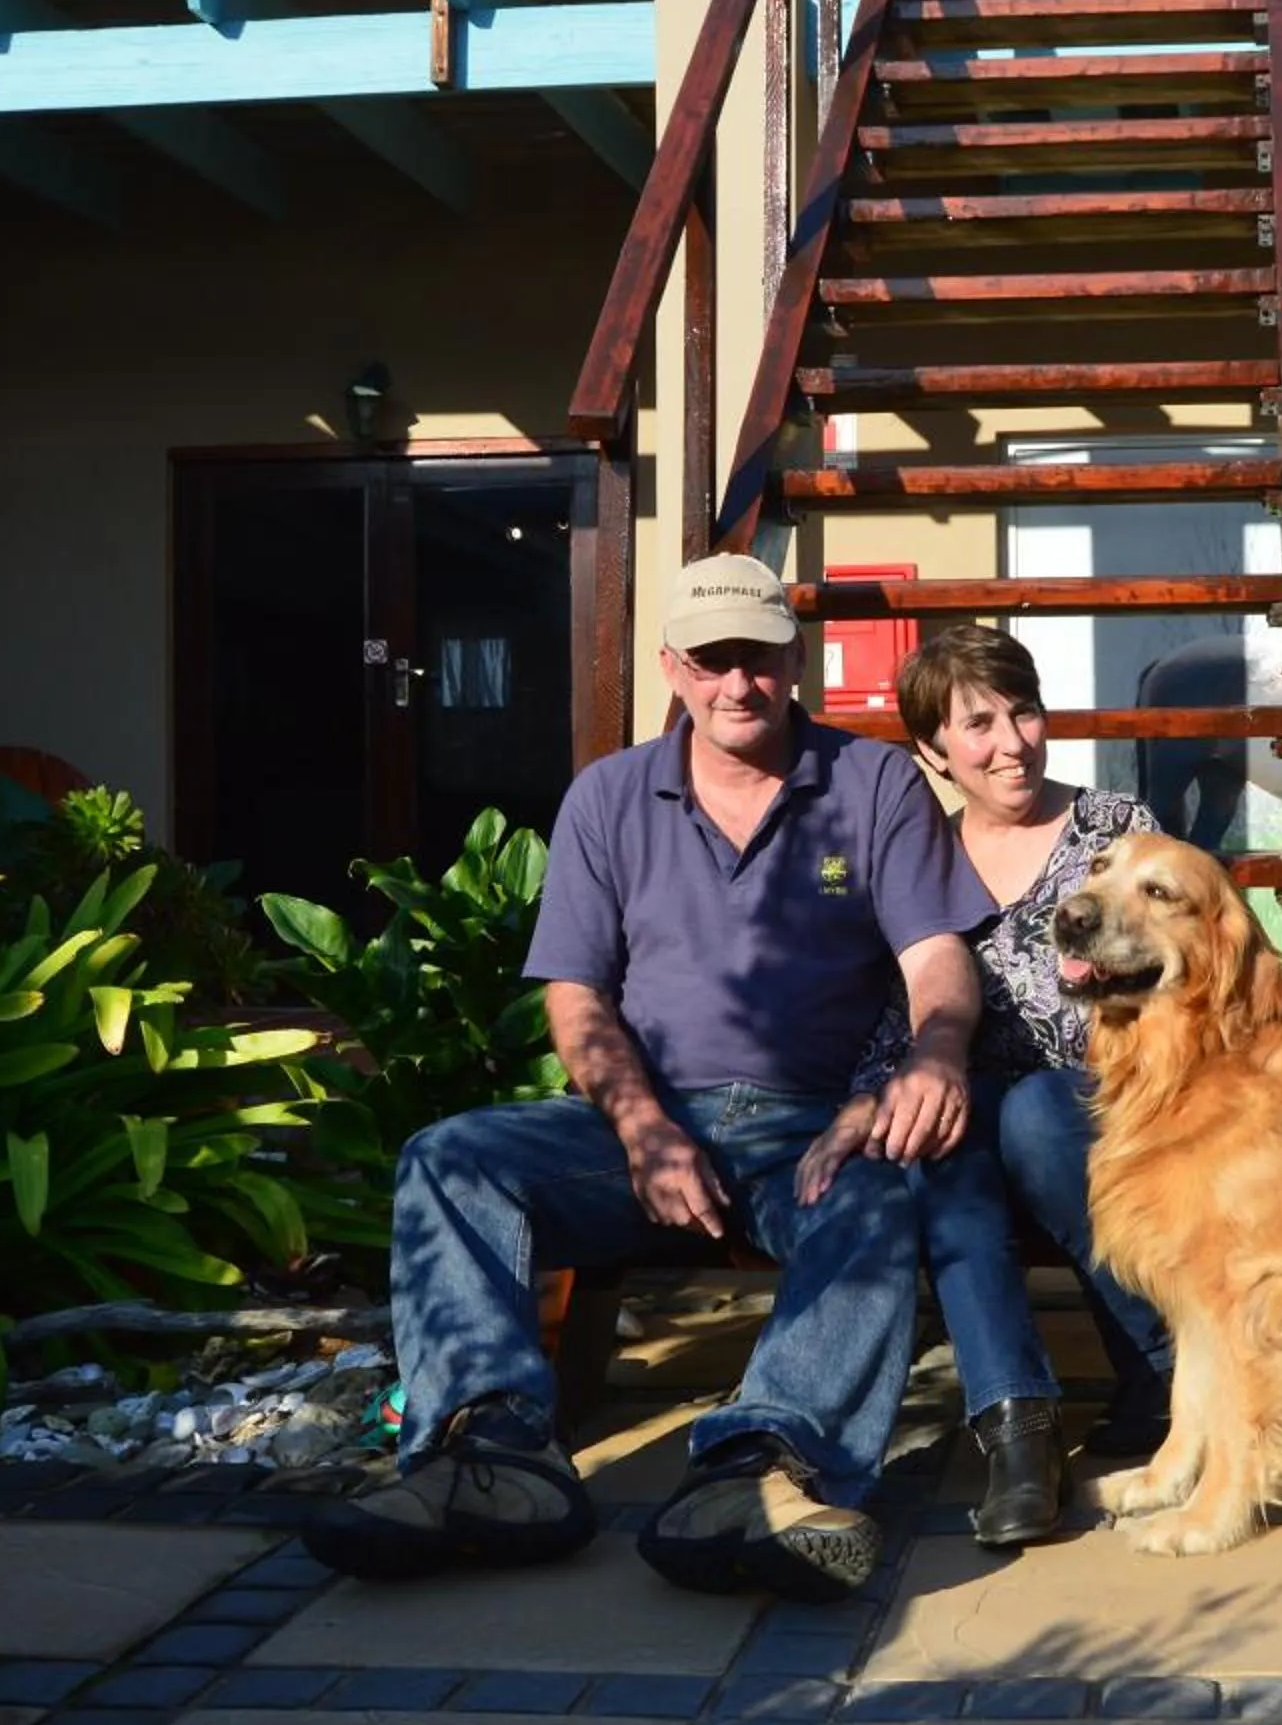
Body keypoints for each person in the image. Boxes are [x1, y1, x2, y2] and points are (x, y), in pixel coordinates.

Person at [303, 554, 994, 1603]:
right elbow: (575, 996)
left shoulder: (873, 780)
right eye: (712, 660)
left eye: (757, 658)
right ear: (671, 666)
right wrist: (642, 1126)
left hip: (809, 1128)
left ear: (791, 657)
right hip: (642, 1126)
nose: (737, 684)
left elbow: (935, 957)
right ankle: (491, 1456)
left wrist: (939, 1049)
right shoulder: (611, 796)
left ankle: (768, 1464)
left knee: (879, 1188)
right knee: (450, 1158)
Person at [798, 624, 1177, 1548]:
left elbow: (1186, 964)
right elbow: (904, 1006)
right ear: (932, 750)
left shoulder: (1113, 834)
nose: (1012, 742)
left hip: (1104, 1105)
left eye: (1025, 712)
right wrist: (866, 1097)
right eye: (978, 724)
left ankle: (1167, 1367)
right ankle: (1019, 1431)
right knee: (938, 1133)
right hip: (971, 1110)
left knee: (1040, 1111)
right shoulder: (920, 852)